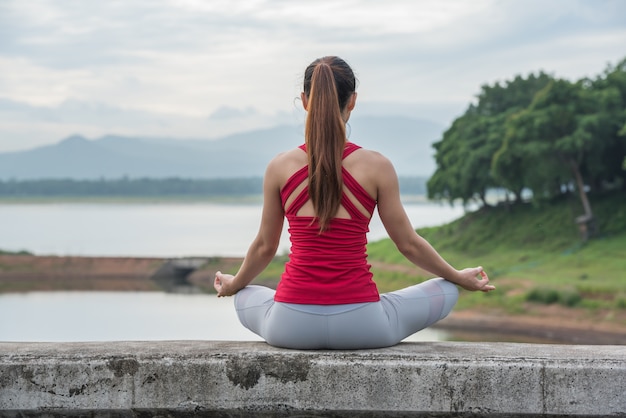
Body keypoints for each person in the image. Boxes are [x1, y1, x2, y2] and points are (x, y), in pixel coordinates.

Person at [214, 56, 495, 349]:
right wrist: (457, 276)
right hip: (364, 326)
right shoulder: (377, 167)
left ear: (305, 101)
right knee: (446, 289)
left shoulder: (279, 167)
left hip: (290, 326)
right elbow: (408, 244)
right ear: (353, 101)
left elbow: (264, 247)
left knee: (245, 295)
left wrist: (234, 285)